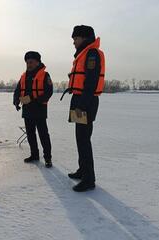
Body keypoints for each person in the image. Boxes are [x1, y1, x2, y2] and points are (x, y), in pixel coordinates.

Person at [65, 25, 105, 192]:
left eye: (75, 38)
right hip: (79, 99)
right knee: (80, 139)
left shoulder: (92, 54)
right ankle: (83, 171)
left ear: (84, 37)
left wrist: (81, 105)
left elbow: (90, 82)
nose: (73, 42)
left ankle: (89, 179)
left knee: (84, 140)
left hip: (85, 102)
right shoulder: (84, 53)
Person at [13, 51, 53, 168]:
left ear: (37, 62)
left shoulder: (45, 75)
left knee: (43, 134)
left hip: (40, 109)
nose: (28, 65)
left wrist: (33, 99)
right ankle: (34, 155)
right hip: (27, 110)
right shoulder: (24, 76)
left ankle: (47, 158)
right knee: (30, 134)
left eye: (31, 62)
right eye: (27, 63)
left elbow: (48, 92)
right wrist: (16, 101)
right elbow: (18, 90)